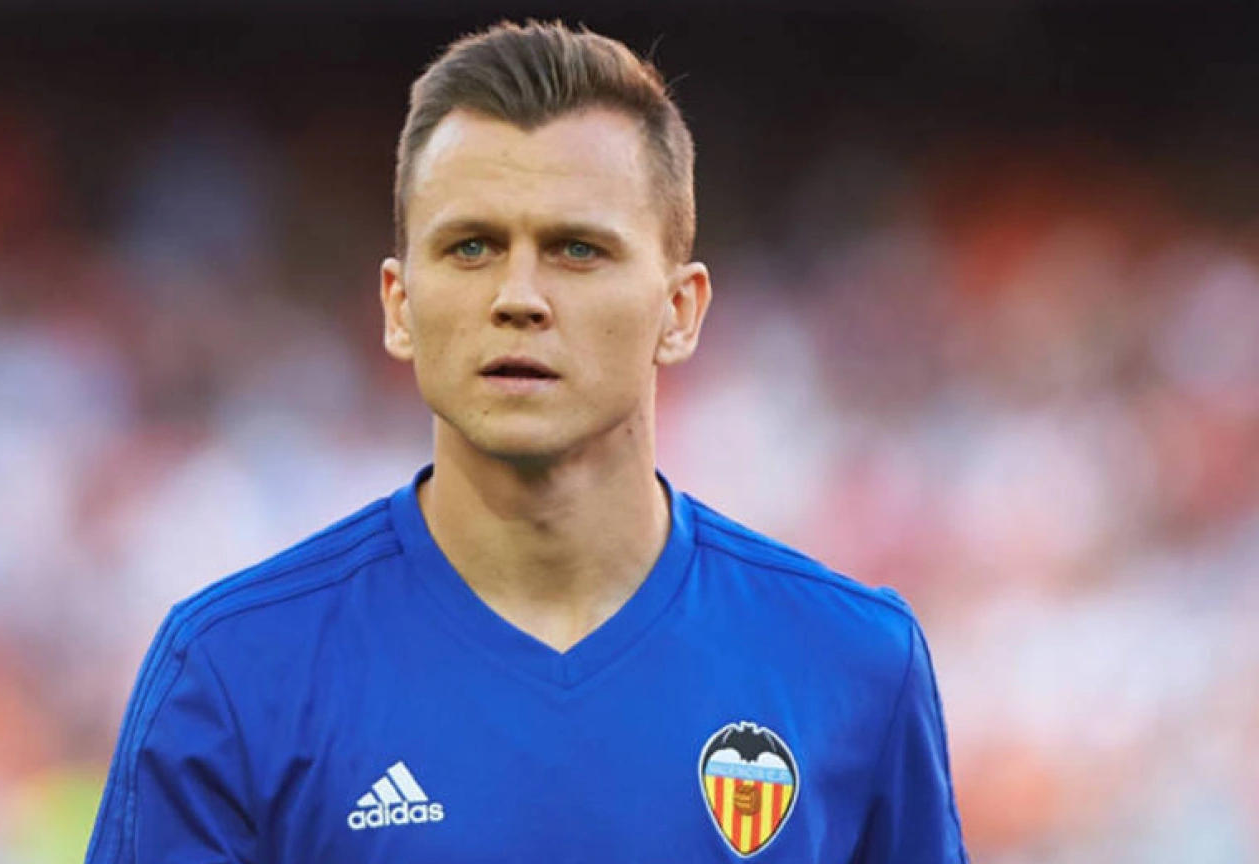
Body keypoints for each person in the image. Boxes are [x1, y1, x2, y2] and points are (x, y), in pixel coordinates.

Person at [85, 20, 968, 863]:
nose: (518, 296)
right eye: (471, 247)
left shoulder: (851, 662)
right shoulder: (233, 673)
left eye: (577, 250)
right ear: (399, 306)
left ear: (680, 310)